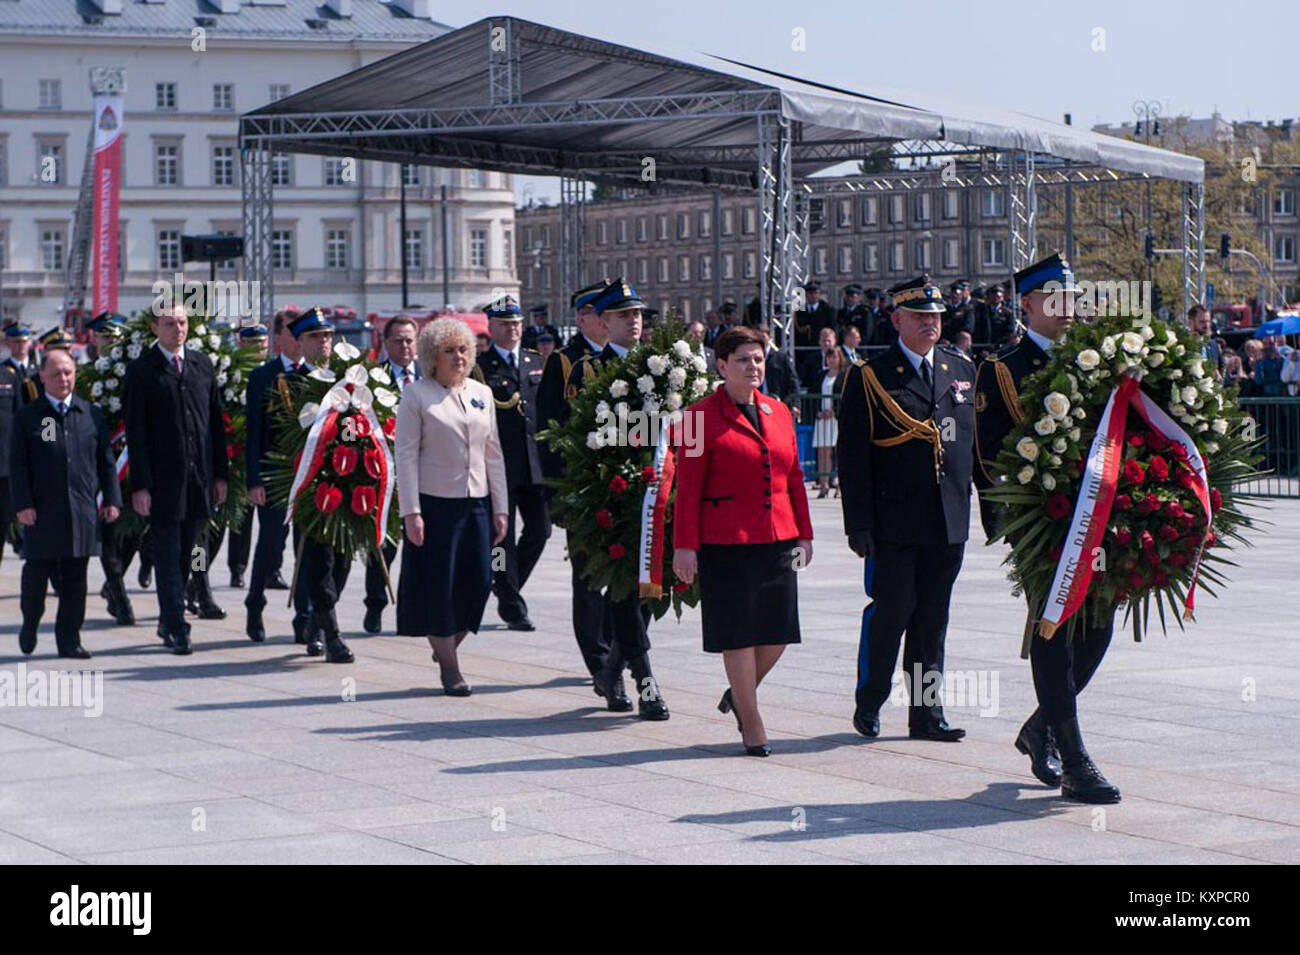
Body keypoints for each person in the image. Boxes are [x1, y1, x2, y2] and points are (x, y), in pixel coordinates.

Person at [973, 252, 1120, 804]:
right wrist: (1027, 510)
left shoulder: (1093, 362)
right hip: (1043, 524)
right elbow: (987, 456)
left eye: (1073, 300)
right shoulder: (1003, 369)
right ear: (1028, 305)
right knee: (1055, 624)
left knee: (1099, 623)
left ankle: (1040, 727)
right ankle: (1073, 757)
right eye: (1056, 300)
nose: (1068, 310)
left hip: (1099, 520)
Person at [838, 274, 975, 743]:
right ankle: (871, 699)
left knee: (932, 621)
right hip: (894, 521)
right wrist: (858, 523)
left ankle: (926, 714)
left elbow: (970, 448)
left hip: (946, 520)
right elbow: (852, 456)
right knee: (893, 612)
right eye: (919, 316)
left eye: (935, 316)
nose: (929, 324)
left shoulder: (960, 369)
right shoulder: (870, 376)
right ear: (896, 319)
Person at [673, 326, 814, 756]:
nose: (753, 367)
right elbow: (688, 487)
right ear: (721, 366)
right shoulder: (697, 418)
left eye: (758, 359)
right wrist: (685, 545)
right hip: (725, 540)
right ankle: (752, 722)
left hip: (778, 536)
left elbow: (794, 478)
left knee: (778, 632)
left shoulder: (779, 411)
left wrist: (805, 534)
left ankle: (739, 695)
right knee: (737, 633)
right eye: (743, 360)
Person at [566, 279, 670, 719]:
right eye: (624, 315)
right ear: (603, 322)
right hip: (616, 495)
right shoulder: (589, 370)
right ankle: (644, 682)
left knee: (649, 589)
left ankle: (611, 670)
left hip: (659, 492)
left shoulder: (663, 367)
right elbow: (581, 438)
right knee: (625, 590)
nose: (634, 321)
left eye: (639, 313)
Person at [394, 317, 509, 696]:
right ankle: (450, 668)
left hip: (476, 502)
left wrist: (500, 506)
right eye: (449, 351)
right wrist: (411, 511)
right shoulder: (417, 395)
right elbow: (406, 456)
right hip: (435, 506)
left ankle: (445, 644)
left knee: (480, 581)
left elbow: (493, 452)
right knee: (438, 588)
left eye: (463, 349)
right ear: (432, 357)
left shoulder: (481, 392)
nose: (459, 357)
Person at [123, 304, 228, 655]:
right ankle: (176, 625)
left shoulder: (201, 365)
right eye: (169, 324)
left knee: (187, 553)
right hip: (163, 481)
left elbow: (216, 423)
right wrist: (140, 485)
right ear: (154, 328)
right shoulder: (141, 371)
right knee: (167, 553)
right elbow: (135, 433)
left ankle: (168, 617)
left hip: (198, 478)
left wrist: (220, 475)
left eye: (182, 322)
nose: (177, 329)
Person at [537, 281, 624, 693]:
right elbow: (549, 429)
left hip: (622, 487)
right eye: (598, 313)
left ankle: (617, 648)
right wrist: (557, 492)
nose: (608, 322)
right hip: (583, 487)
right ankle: (597, 657)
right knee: (589, 577)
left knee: (622, 571)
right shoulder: (565, 362)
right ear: (583, 317)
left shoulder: (627, 359)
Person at [12, 349, 122, 658]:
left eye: (69, 372)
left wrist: (112, 499)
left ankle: (69, 640)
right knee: (36, 578)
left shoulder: (90, 414)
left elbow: (106, 462)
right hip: (42, 511)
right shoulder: (31, 416)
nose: (63, 378)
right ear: (43, 376)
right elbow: (19, 465)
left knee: (76, 581)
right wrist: (23, 504)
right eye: (57, 373)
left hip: (81, 511)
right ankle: (30, 622)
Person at [471, 294, 552, 631]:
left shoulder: (535, 362)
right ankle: (510, 602)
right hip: (500, 468)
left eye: (516, 324)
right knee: (500, 540)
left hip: (534, 467)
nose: (513, 330)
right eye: (505, 324)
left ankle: (506, 583)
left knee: (541, 531)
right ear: (491, 327)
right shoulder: (480, 367)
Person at [289, 308, 355, 663]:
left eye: (327, 335)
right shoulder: (290, 382)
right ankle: (332, 635)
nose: (323, 342)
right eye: (315, 336)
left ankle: (316, 621)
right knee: (318, 563)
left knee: (343, 561)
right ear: (299, 342)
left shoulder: (349, 379)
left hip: (346, 485)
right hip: (309, 487)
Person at [244, 309, 310, 645]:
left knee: (307, 549)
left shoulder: (317, 375)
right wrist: (253, 480)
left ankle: (306, 619)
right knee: (271, 546)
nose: (300, 340)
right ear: (279, 338)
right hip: (274, 476)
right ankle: (255, 603)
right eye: (293, 332)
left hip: (309, 476)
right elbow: (253, 434)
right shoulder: (262, 377)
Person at [361, 316, 421, 635]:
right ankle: (375, 604)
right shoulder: (374, 379)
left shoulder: (429, 376)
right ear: (385, 345)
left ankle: (412, 611)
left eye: (410, 340)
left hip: (425, 475)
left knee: (420, 546)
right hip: (385, 473)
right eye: (398, 340)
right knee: (384, 545)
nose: (405, 346)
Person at [224, 323, 271, 589]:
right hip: (231, 456)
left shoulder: (271, 375)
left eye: (262, 344)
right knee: (215, 529)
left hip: (257, 458)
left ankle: (254, 569)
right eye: (252, 344)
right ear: (242, 345)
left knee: (257, 521)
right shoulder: (231, 374)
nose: (258, 349)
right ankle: (201, 573)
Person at [0, 326, 38, 568]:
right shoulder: (4, 373)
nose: (20, 345)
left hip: (30, 460)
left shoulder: (39, 374)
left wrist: (49, 444)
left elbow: (45, 419)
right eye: (16, 341)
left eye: (24, 341)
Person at [813, 346, 846, 498]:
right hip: (822, 418)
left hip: (836, 418)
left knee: (838, 451)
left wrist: (835, 410)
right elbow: (814, 395)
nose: (832, 360)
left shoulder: (843, 375)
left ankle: (839, 484)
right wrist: (818, 412)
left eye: (835, 357)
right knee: (823, 451)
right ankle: (824, 484)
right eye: (829, 357)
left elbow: (844, 396)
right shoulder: (821, 375)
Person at [1187, 305, 1223, 379]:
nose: (1206, 325)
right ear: (1191, 323)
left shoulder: (1213, 345)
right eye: (1202, 322)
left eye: (1208, 321)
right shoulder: (1184, 344)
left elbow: (1223, 371)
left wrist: (1220, 377)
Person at [799, 326, 839, 390]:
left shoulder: (842, 358)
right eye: (824, 341)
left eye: (829, 341)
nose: (826, 343)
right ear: (819, 342)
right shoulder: (811, 359)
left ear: (834, 342)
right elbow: (801, 377)